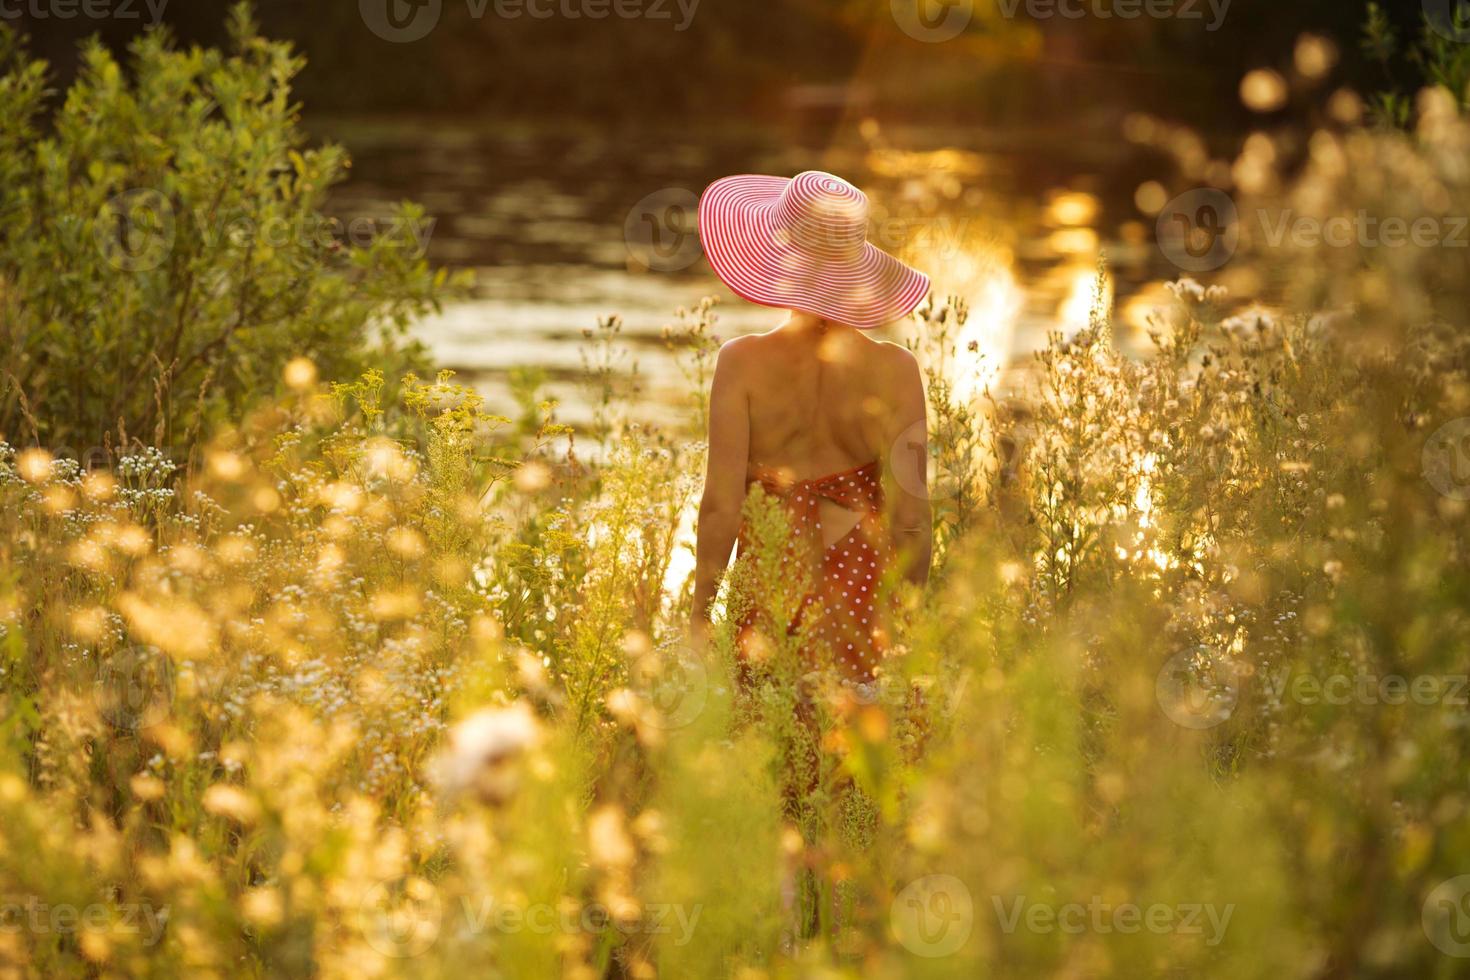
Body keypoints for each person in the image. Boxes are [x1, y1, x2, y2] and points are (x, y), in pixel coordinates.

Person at [689, 170, 933, 681]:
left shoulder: (742, 363)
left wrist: (700, 618)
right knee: (853, 744)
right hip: (861, 591)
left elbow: (720, 508)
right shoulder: (897, 370)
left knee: (764, 735)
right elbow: (911, 519)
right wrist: (907, 625)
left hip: (768, 577)